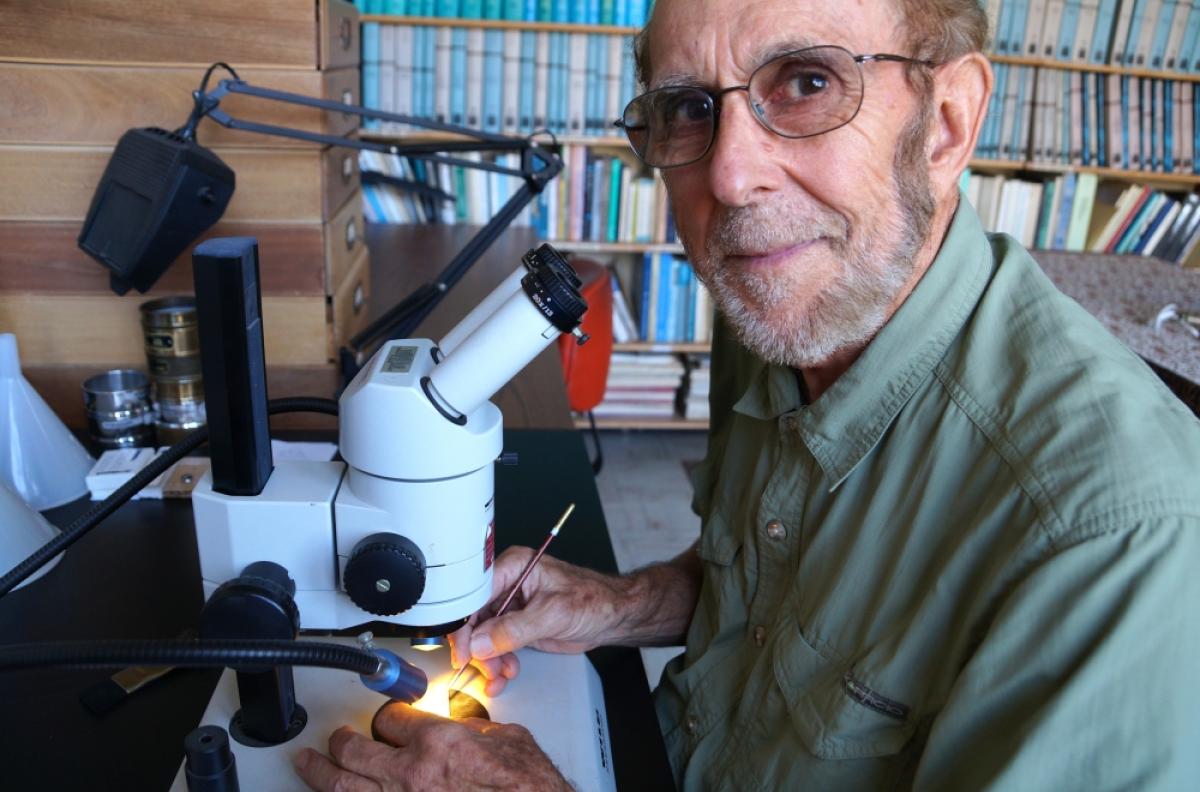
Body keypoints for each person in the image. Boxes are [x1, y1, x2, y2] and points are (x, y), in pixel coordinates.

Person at [295, 0, 1200, 789]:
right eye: (689, 108)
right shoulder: (780, 311)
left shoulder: (1115, 536)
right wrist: (625, 604)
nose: (729, 179)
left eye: (807, 83)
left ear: (948, 122)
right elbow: (785, 583)